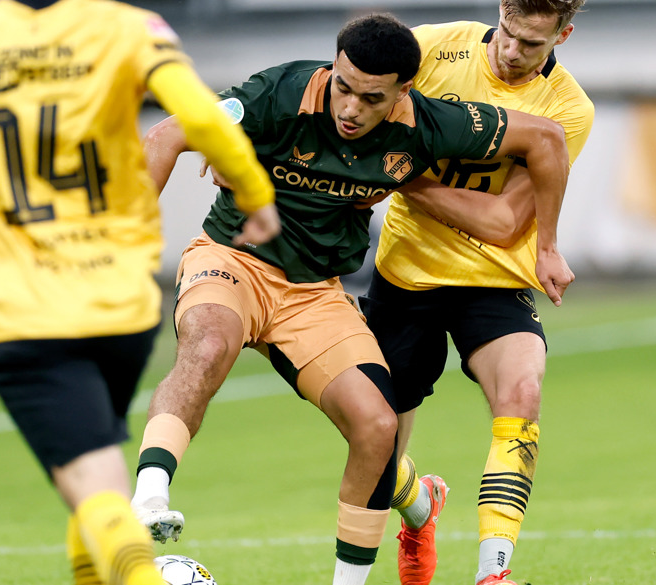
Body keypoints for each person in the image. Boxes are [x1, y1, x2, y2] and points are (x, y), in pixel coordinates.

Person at [130, 13, 574, 585]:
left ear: (403, 92)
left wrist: (547, 247)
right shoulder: (280, 92)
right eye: (343, 87)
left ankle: (393, 538)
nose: (349, 108)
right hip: (232, 259)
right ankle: (149, 496)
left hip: (316, 294)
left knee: (377, 426)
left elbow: (547, 139)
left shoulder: (427, 125)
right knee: (209, 345)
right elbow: (165, 136)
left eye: (370, 99)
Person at [0, 1, 275, 584]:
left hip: (25, 311)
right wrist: (253, 190)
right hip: (120, 305)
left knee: (92, 485)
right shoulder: (127, 27)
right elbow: (201, 115)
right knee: (91, 469)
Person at [354, 2, 594, 584]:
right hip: (407, 275)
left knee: (523, 391)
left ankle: (494, 574)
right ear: (501, 11)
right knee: (374, 446)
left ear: (563, 35)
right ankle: (420, 504)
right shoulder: (430, 49)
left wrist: (400, 176)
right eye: (508, 33)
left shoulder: (567, 108)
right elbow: (349, 98)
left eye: (531, 44)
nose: (512, 51)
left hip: (495, 278)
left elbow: (503, 223)